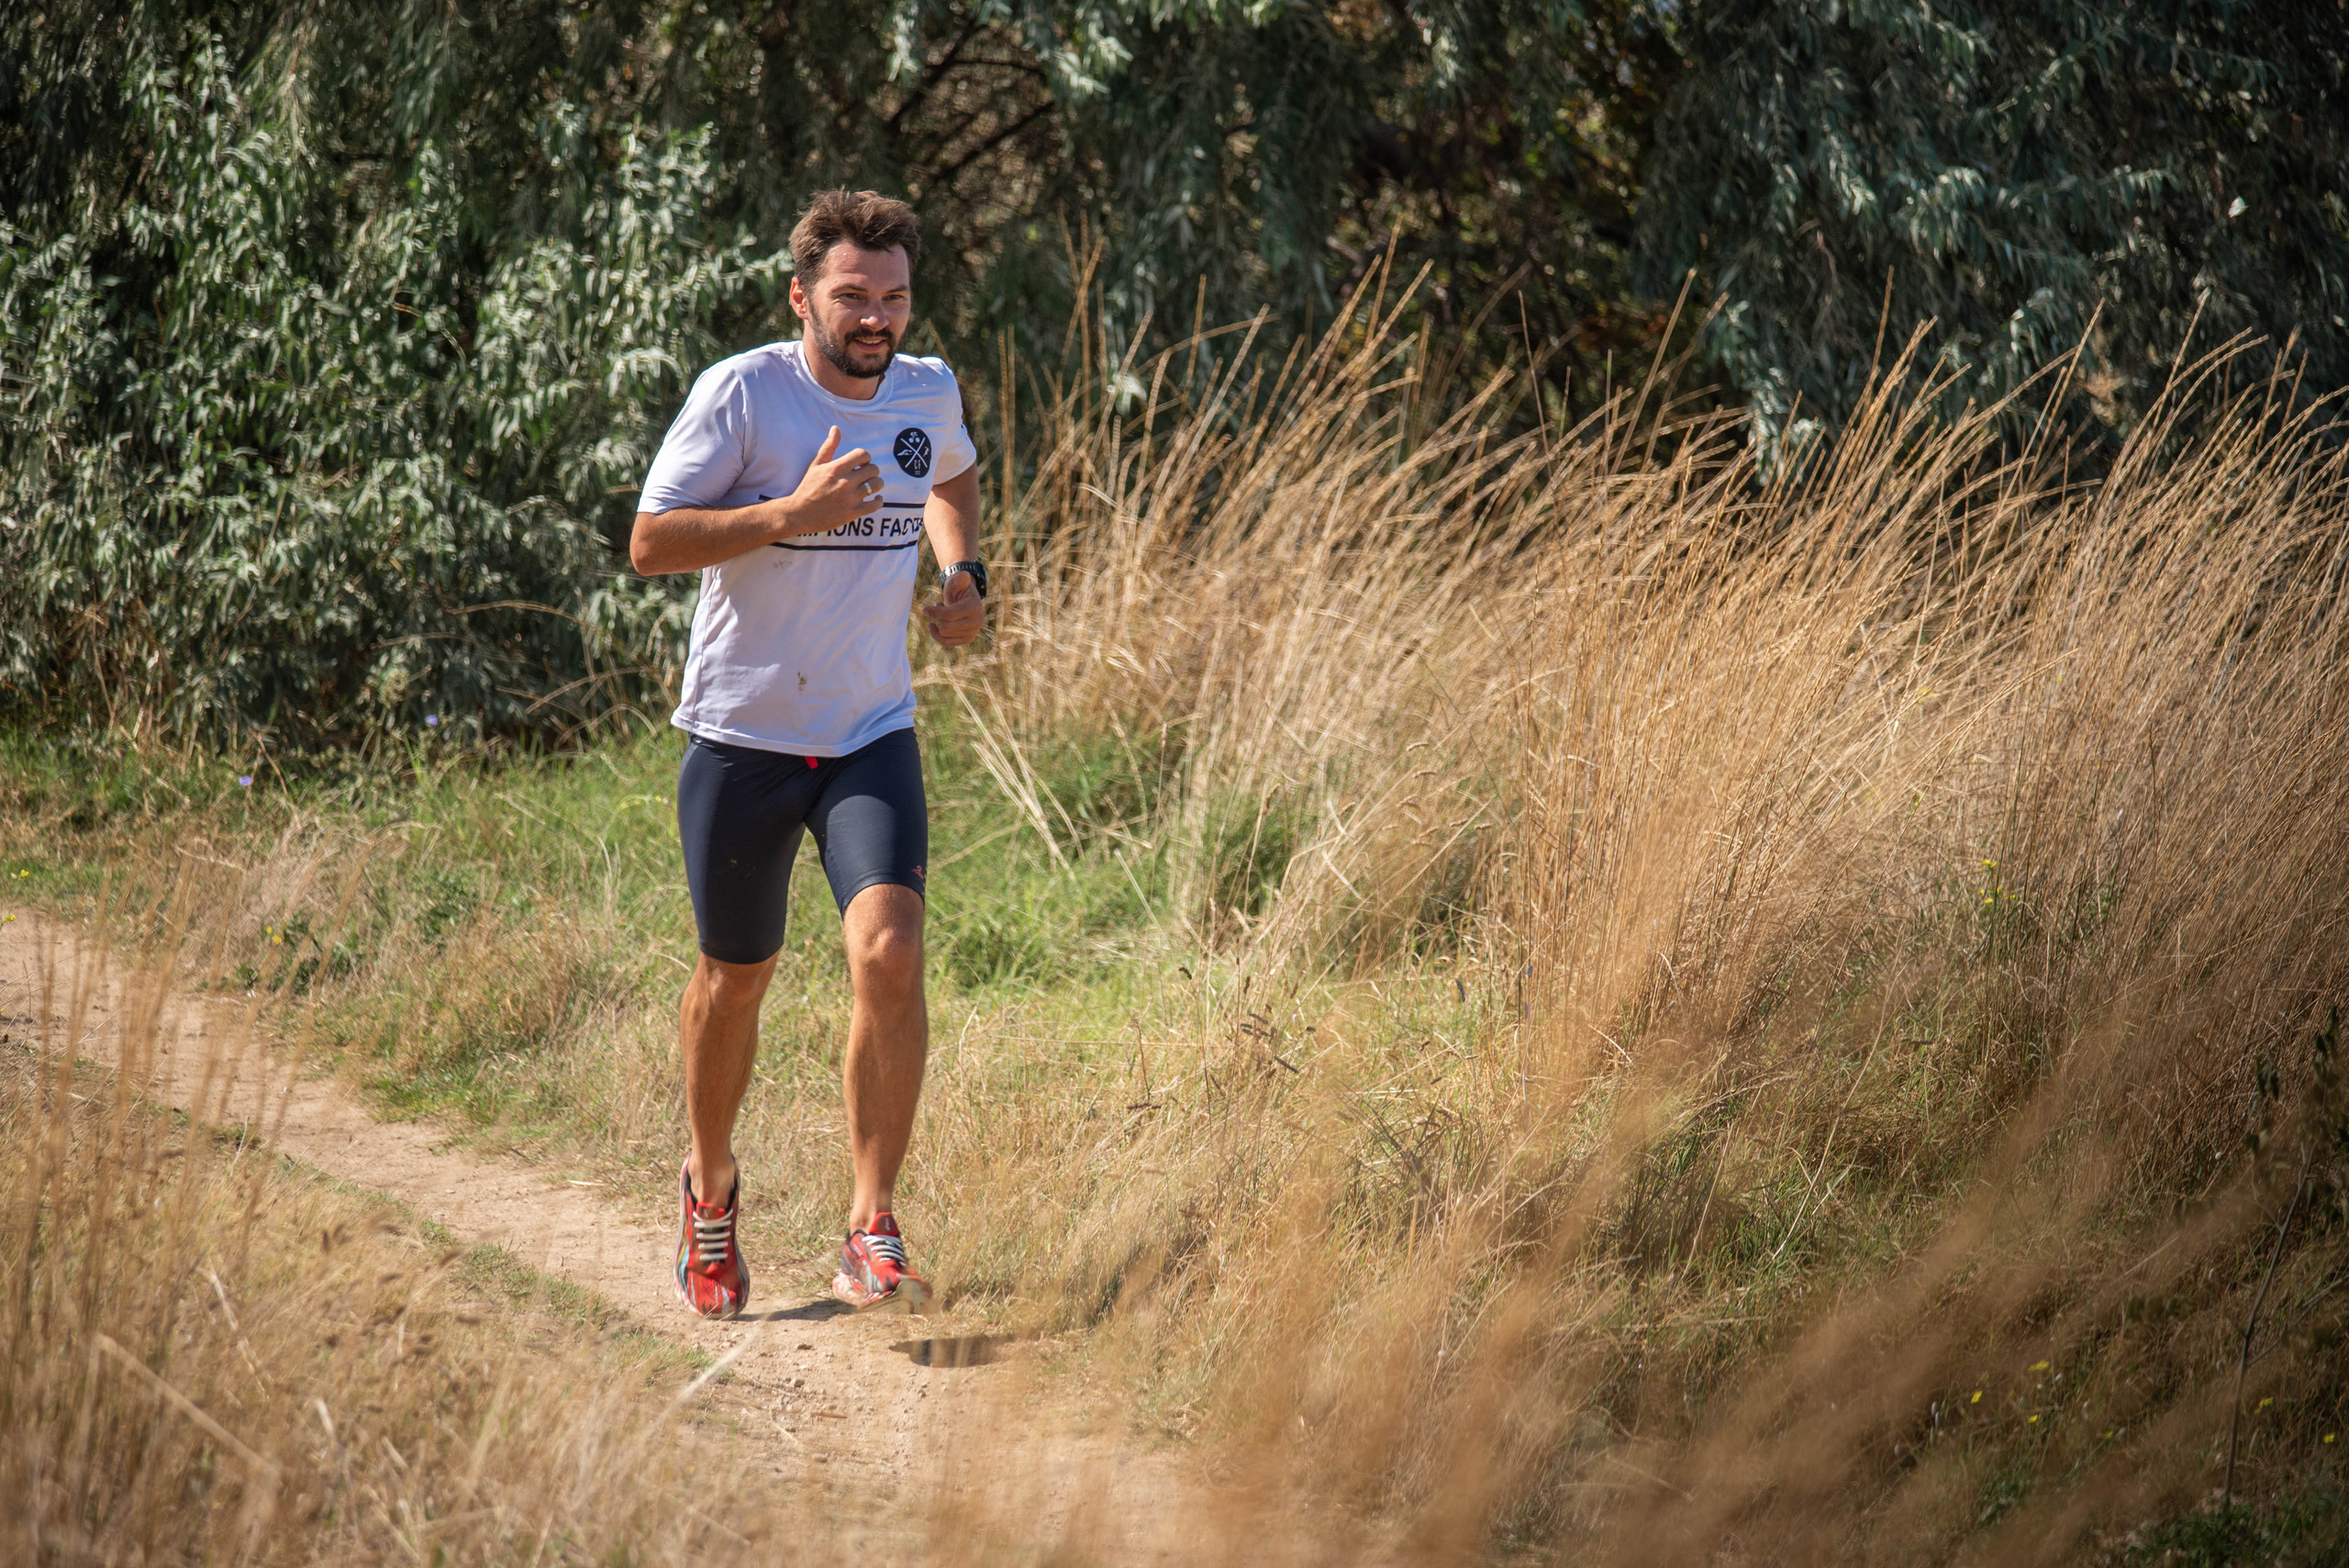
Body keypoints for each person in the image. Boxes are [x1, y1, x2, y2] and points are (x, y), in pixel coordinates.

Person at [629, 189, 985, 1318]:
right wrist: (792, 509)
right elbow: (650, 542)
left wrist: (962, 575)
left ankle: (870, 1223)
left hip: (868, 730)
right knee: (736, 978)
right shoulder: (742, 393)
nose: (875, 317)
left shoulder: (926, 387)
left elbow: (951, 474)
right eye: (851, 296)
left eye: (892, 296)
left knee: (887, 953)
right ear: (802, 297)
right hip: (742, 734)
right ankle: (711, 1186)